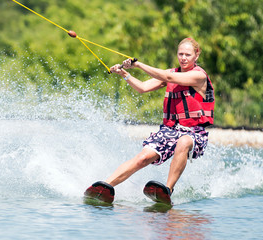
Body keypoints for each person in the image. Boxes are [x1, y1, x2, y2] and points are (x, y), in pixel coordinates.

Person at [85, 38, 214, 203]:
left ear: (196, 55)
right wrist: (125, 74)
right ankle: (104, 187)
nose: (183, 58)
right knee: (143, 158)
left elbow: (169, 77)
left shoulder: (199, 76)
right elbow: (142, 88)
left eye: (187, 54)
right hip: (170, 130)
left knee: (183, 142)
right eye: (180, 54)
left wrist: (139, 65)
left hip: (194, 132)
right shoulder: (172, 73)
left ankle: (168, 189)